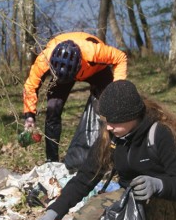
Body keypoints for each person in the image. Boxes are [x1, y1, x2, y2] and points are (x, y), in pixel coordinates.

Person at [19, 80, 176, 220]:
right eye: (107, 121)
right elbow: (85, 177)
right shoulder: (111, 136)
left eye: (115, 122)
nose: (109, 126)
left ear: (133, 117)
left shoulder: (161, 132)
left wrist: (158, 184)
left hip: (168, 199)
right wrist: (52, 214)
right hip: (130, 194)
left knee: (146, 208)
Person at [22, 32, 128, 162]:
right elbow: (30, 87)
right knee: (53, 109)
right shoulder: (44, 59)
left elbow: (120, 57)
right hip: (60, 74)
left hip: (96, 70)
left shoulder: (93, 51)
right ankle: (51, 160)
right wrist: (29, 116)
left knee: (111, 107)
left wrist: (117, 88)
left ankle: (114, 153)